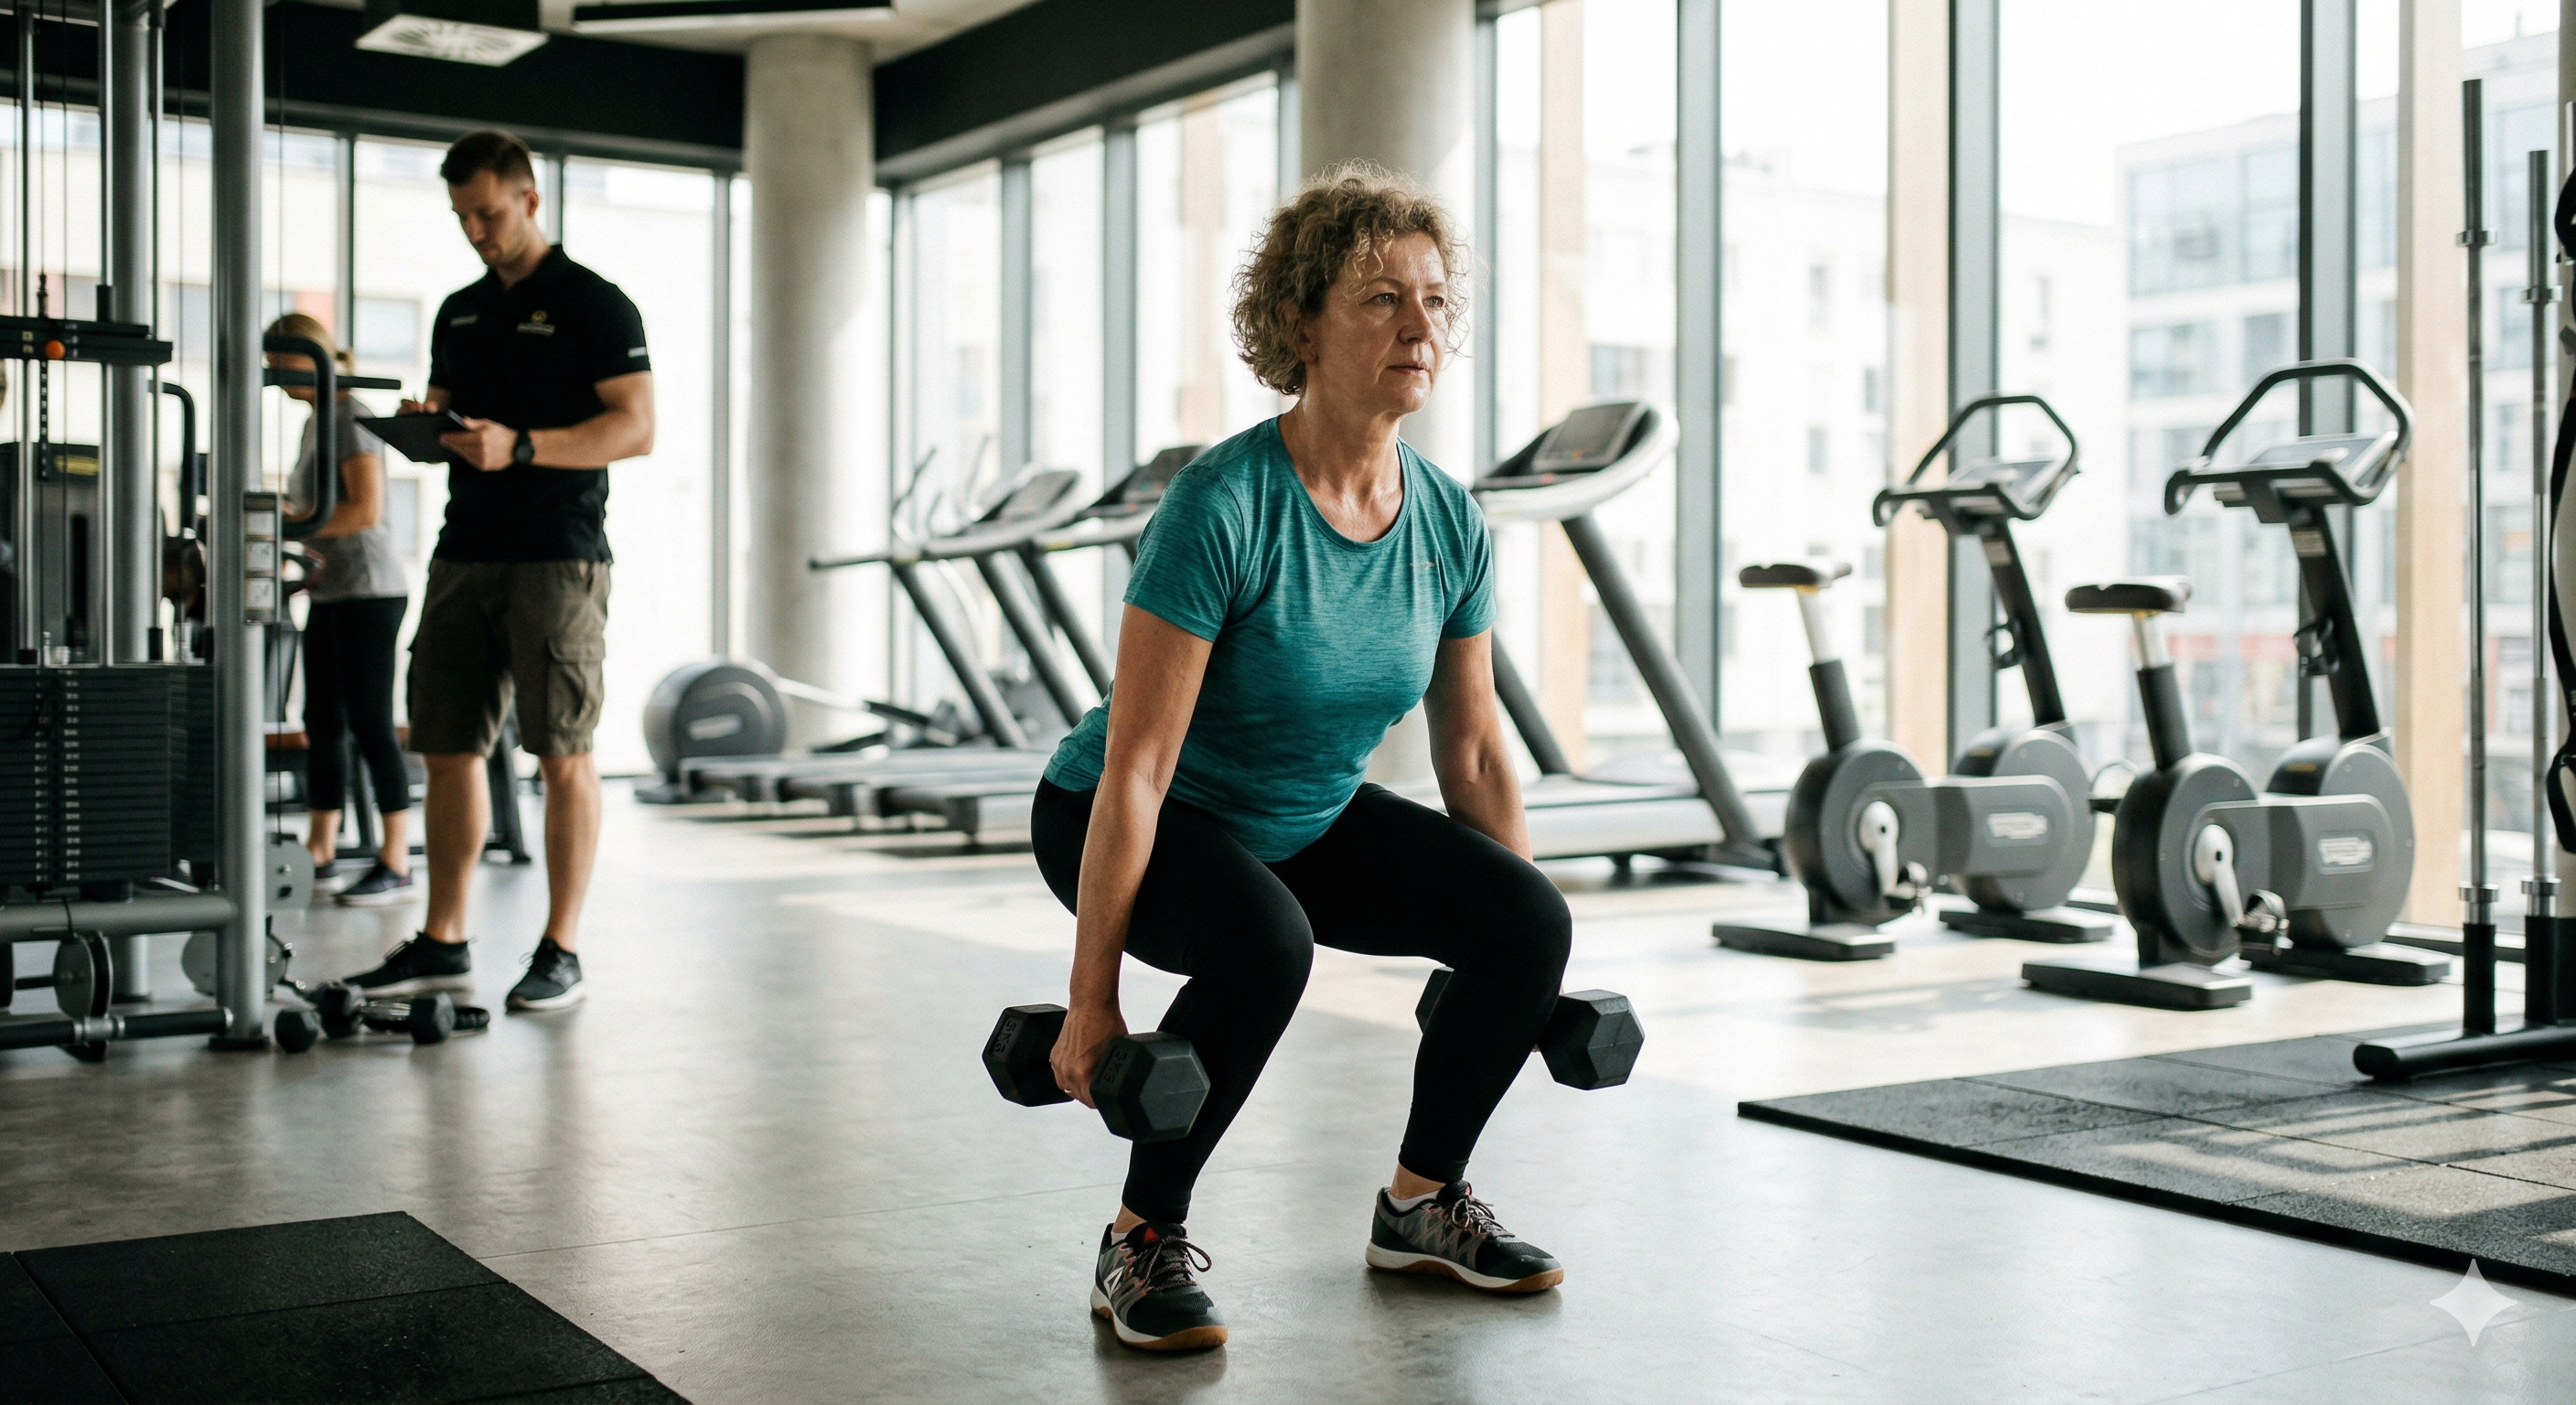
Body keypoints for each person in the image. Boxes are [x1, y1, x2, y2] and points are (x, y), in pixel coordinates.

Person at [1031, 164, 1572, 1355]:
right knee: (1262, 944)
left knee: (1530, 923)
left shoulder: (1446, 520)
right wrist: (1092, 1000)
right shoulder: (1224, 506)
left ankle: (1423, 1204)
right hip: (1126, 811)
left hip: (1303, 813)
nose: (1420, 326)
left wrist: (1520, 948)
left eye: (1435, 300)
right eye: (1382, 298)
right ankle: (1140, 1236)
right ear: (1299, 323)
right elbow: (1136, 767)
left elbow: (1475, 751)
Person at [341, 129, 654, 1012]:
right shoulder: (458, 311)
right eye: (462, 218)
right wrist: (427, 421)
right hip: (463, 551)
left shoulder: (598, 305)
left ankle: (561, 948)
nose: (476, 231)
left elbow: (635, 428)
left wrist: (522, 446)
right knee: (445, 750)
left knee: (562, 754)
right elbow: (451, 417)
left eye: (488, 213)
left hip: (558, 554)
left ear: (530, 200)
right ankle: (444, 939)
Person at [273, 312, 414, 906]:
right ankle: (321, 851)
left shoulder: (350, 413)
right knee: (321, 725)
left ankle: (397, 859)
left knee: (371, 724)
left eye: (287, 364)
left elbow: (365, 511)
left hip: (372, 590)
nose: (279, 377)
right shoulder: (314, 422)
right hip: (333, 588)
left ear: (320, 358)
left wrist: (292, 523)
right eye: (274, 367)